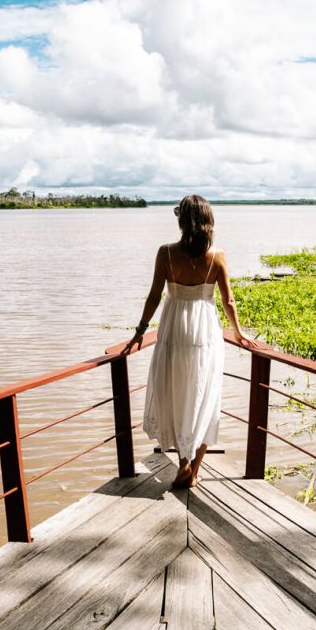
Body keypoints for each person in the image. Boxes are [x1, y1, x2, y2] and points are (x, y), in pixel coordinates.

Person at [122, 194, 256, 488]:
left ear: (182, 221)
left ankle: (183, 462)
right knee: (205, 394)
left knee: (175, 391)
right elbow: (228, 300)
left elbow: (155, 296)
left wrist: (141, 330)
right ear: (209, 221)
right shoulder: (217, 256)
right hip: (205, 331)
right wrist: (238, 331)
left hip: (174, 329)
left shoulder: (166, 253)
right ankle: (194, 469)